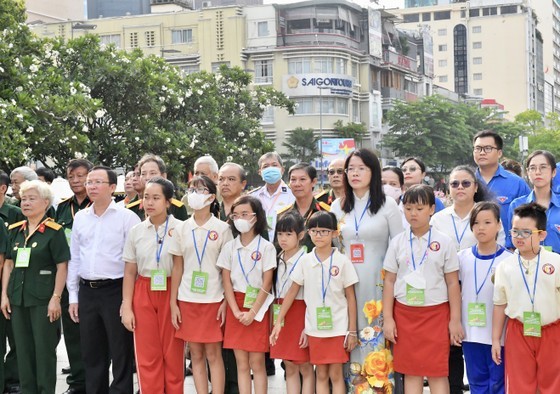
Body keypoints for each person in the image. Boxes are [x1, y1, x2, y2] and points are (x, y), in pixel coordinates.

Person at [330, 149, 403, 393]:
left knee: (376, 344)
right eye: (350, 169)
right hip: (346, 288)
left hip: (378, 287)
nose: (354, 173)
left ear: (373, 172)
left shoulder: (388, 205)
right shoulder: (337, 207)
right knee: (349, 343)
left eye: (361, 168)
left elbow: (399, 247)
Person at [383, 185, 463, 394]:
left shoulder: (444, 242)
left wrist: (455, 320)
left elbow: (453, 282)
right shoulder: (397, 242)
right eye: (408, 208)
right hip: (405, 314)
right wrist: (388, 319)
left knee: (437, 372)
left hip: (436, 314)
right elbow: (389, 281)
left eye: (419, 208)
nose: (413, 214)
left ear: (431, 209)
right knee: (411, 372)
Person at [67, 166, 141, 394]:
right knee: (92, 352)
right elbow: (75, 257)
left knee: (120, 351)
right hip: (87, 291)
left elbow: (134, 262)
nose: (92, 186)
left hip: (115, 290)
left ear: (112, 187)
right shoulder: (81, 217)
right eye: (90, 182)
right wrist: (73, 296)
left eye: (98, 182)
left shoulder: (128, 217)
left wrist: (128, 300)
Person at [271, 211, 359, 394]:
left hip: (338, 329)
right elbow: (291, 292)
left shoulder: (342, 262)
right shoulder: (305, 261)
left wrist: (352, 331)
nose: (319, 235)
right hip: (315, 329)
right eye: (315, 231)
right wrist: (278, 321)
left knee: (335, 374)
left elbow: (351, 298)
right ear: (308, 233)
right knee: (320, 374)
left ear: (334, 233)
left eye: (324, 231)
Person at [1, 180, 69, 394]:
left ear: (46, 202)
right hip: (18, 298)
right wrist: (4, 295)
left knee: (43, 351)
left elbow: (62, 266)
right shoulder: (15, 230)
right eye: (24, 199)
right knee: (22, 350)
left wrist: (56, 297)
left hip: (43, 299)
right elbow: (9, 263)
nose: (26, 203)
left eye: (32, 198)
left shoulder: (53, 231)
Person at [169, 175, 233, 394]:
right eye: (192, 189)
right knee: (195, 353)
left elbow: (228, 270)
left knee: (214, 354)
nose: (195, 194)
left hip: (214, 299)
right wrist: (173, 302)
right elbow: (177, 267)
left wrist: (226, 300)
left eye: (201, 190)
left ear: (212, 197)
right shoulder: (181, 228)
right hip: (187, 299)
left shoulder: (223, 229)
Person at [121, 177, 184, 393]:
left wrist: (176, 300)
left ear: (168, 202)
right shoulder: (136, 231)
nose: (150, 202)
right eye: (146, 197)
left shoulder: (181, 229)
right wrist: (126, 306)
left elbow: (181, 266)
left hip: (172, 290)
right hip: (144, 290)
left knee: (173, 353)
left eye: (156, 198)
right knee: (148, 354)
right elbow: (129, 272)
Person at [492, 202, 560, 393]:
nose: (519, 237)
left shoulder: (556, 262)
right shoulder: (505, 266)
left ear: (542, 235)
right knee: (519, 383)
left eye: (526, 232)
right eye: (515, 231)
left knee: (554, 383)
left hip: (552, 330)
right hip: (518, 331)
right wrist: (496, 339)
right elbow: (499, 304)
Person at [216, 195, 276, 394]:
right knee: (241, 363)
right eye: (235, 215)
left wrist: (252, 312)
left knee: (257, 363)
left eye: (245, 214)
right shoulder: (229, 247)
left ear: (256, 217)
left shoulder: (266, 247)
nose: (240, 218)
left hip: (258, 306)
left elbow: (267, 283)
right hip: (236, 306)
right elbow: (226, 281)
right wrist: (235, 310)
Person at [458, 202, 510, 394]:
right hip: (470, 333)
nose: (481, 227)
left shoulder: (509, 260)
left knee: (498, 383)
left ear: (498, 225)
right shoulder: (462, 258)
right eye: (476, 223)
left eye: (487, 222)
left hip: (499, 336)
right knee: (476, 383)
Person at [55, 159, 93, 394]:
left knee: (95, 335)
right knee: (72, 334)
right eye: (72, 176)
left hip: (94, 278)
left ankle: (95, 380)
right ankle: (78, 382)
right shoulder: (61, 208)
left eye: (81, 176)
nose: (76, 180)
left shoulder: (100, 204)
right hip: (69, 278)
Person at [269, 212, 314, 394]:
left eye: (288, 234)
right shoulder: (277, 257)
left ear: (301, 235)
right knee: (288, 363)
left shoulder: (307, 259)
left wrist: (308, 326)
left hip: (300, 312)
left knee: (304, 364)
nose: (283, 239)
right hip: (280, 311)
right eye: (280, 234)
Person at [472, 130, 530, 229]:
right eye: (478, 148)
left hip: (508, 243)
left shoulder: (517, 183)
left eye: (488, 148)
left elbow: (531, 217)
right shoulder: (466, 183)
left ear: (499, 153)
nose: (482, 152)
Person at [506, 150, 560, 253]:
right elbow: (511, 244)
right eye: (533, 168)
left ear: (553, 172)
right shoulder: (517, 205)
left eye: (543, 167)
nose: (537, 172)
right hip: (526, 266)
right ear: (527, 172)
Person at [0, 174, 21, 394]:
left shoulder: (15, 213)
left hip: (14, 281)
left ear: (3, 189)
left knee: (16, 336)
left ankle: (13, 377)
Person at [279, 163, 330, 252]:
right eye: (293, 180)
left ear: (313, 182)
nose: (297, 184)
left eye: (302, 179)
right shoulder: (282, 215)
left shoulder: (326, 212)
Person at [127, 154, 188, 221]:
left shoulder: (177, 208)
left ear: (163, 176)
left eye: (152, 173)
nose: (147, 177)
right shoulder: (131, 209)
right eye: (143, 174)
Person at [250, 152, 295, 241]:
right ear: (260, 172)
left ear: (282, 170)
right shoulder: (253, 196)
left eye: (274, 165)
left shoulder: (293, 194)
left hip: (284, 244)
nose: (270, 169)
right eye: (266, 166)